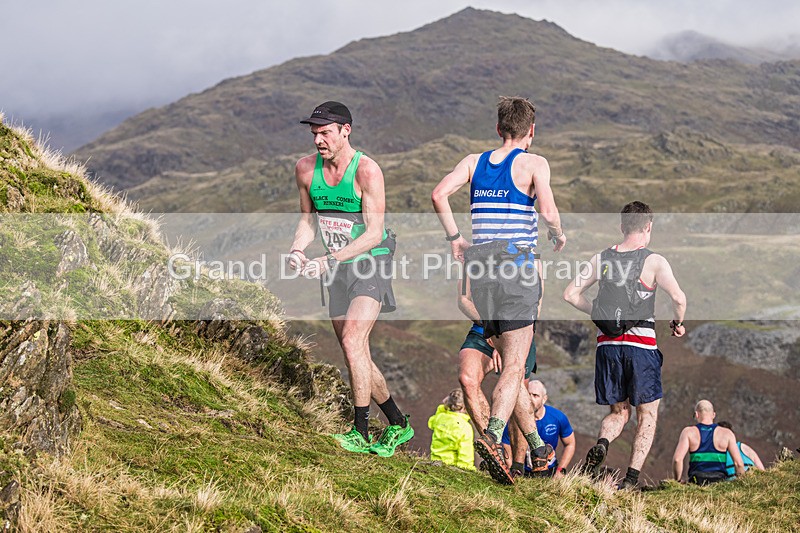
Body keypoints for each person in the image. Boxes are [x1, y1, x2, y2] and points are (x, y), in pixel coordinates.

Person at [432, 96, 567, 484]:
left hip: (482, 268)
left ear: (497, 128)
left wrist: (456, 238)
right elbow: (548, 210)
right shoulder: (534, 163)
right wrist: (557, 234)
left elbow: (439, 194)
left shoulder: (474, 162)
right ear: (531, 131)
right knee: (513, 368)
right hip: (517, 266)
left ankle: (538, 451)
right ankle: (493, 436)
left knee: (512, 366)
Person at [288, 101, 413, 456]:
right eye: (314, 133)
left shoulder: (367, 171)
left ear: (346, 131)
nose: (318, 140)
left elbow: (374, 232)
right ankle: (398, 423)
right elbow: (307, 220)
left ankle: (360, 431)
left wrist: (329, 258)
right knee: (353, 350)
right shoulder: (304, 169)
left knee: (354, 340)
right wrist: (298, 250)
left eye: (325, 132)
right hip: (335, 267)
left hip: (369, 262)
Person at [563, 201, 687, 490]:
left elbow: (570, 294)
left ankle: (603, 443)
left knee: (618, 412)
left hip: (607, 346)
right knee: (647, 413)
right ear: (648, 226)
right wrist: (677, 323)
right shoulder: (654, 261)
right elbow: (678, 298)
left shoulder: (600, 258)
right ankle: (630, 480)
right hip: (641, 347)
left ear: (622, 227)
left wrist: (599, 312)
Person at [457, 276, 540, 476]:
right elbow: (464, 301)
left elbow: (536, 302)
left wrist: (504, 340)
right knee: (467, 379)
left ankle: (519, 464)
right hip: (482, 329)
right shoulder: (476, 253)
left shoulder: (525, 252)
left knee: (518, 390)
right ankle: (496, 450)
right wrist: (492, 330)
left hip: (516, 329)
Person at [500, 380, 576, 478]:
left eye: (535, 395)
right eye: (528, 395)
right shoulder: (514, 421)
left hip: (550, 471)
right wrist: (512, 471)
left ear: (544, 399)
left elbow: (570, 444)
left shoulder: (557, 417)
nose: (531, 399)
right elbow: (506, 445)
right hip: (524, 472)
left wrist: (560, 470)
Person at [672, 400, 746, 485]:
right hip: (719, 482)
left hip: (696, 482)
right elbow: (739, 464)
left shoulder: (689, 432)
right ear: (713, 415)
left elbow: (677, 460)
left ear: (696, 415)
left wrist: (677, 481)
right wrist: (741, 484)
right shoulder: (727, 433)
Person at [428, 389, 477, 471]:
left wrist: (443, 408)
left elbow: (430, 423)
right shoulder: (465, 427)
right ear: (466, 407)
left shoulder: (439, 418)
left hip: (435, 461)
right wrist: (467, 469)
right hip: (452, 466)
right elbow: (466, 452)